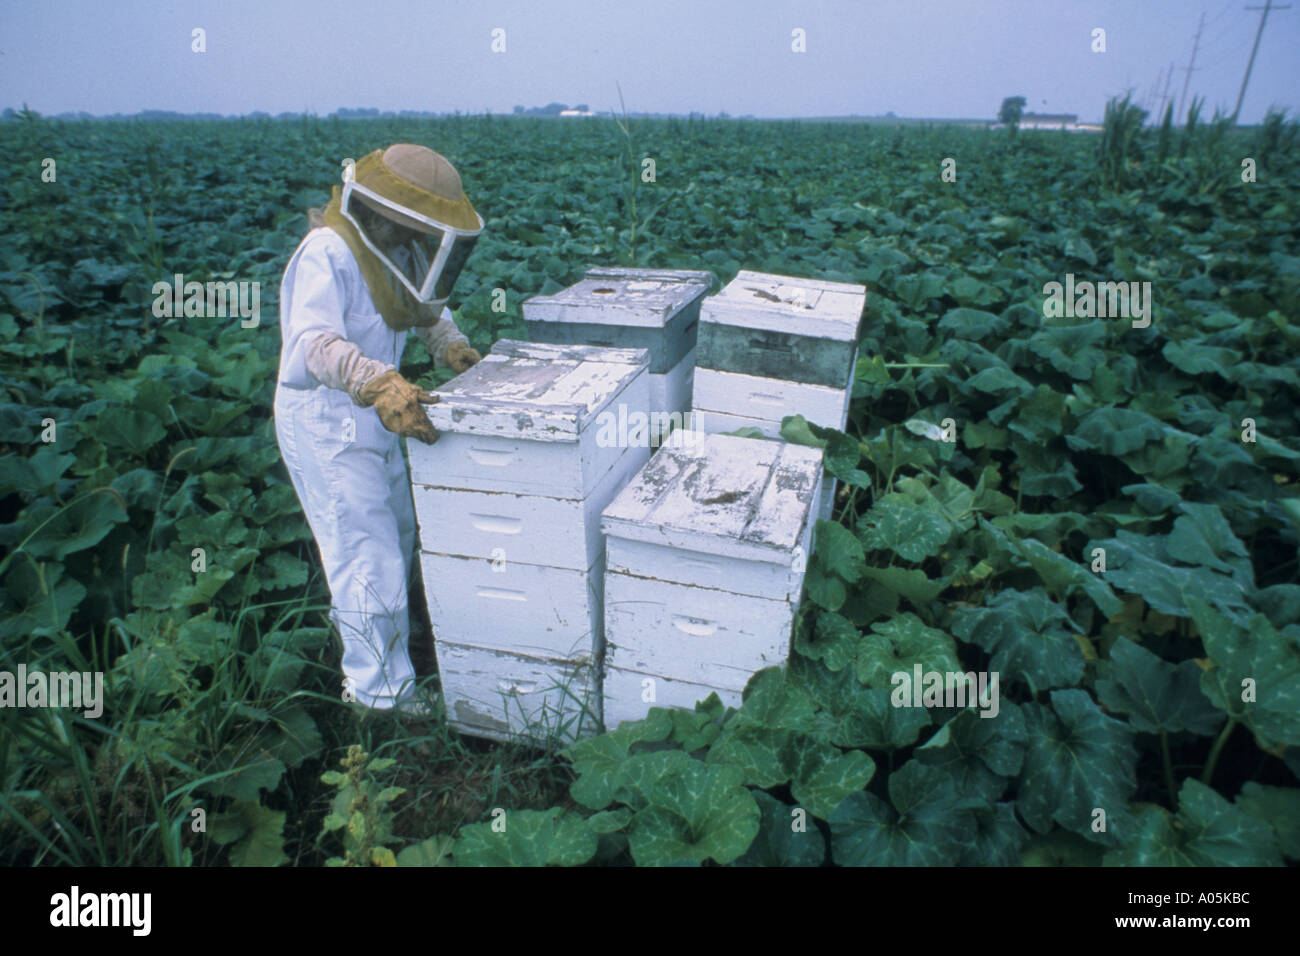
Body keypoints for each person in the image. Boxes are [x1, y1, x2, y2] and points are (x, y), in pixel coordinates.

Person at [273, 144, 483, 715]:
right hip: (328, 424)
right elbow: (310, 343)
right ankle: (379, 702)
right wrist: (374, 379)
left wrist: (451, 345)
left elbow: (425, 306)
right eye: (412, 227)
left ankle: (396, 657)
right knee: (367, 557)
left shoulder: (395, 252)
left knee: (399, 536)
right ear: (383, 215)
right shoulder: (328, 254)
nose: (419, 241)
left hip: (379, 416)